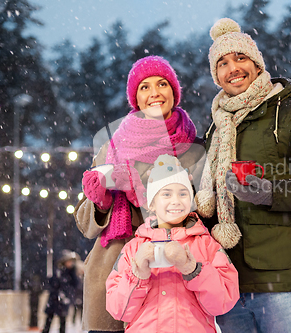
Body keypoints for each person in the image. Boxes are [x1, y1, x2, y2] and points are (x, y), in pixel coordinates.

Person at [199, 18, 291, 332]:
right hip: (228, 283)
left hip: (279, 280)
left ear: (256, 64)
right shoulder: (215, 128)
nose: (233, 69)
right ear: (217, 76)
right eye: (223, 63)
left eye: (240, 58)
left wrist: (271, 193)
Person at [74, 55, 206, 333]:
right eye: (144, 87)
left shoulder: (192, 148)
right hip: (113, 273)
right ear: (136, 98)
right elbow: (85, 225)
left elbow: (202, 210)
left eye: (162, 84)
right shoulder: (111, 148)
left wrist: (141, 180)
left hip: (169, 274)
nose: (154, 93)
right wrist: (100, 200)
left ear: (174, 92)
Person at [106, 154, 239, 332]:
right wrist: (138, 274)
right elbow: (118, 310)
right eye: (166, 194)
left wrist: (192, 268)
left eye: (183, 193)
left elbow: (224, 302)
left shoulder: (207, 244)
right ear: (152, 204)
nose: (176, 200)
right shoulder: (133, 249)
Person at [42, 250, 79, 333]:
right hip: (54, 299)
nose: (71, 263)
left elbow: (75, 284)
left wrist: (68, 294)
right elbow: (52, 283)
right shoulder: (58, 271)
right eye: (69, 261)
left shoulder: (72, 273)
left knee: (62, 322)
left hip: (64, 301)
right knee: (48, 321)